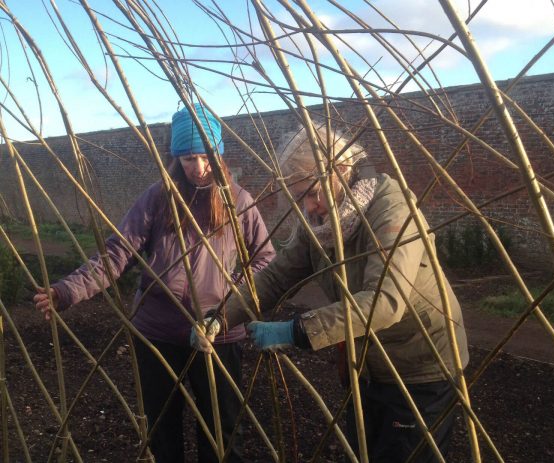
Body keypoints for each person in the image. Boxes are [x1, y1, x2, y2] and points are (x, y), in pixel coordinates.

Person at [197, 125, 469, 462]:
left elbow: (385, 302)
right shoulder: (321, 223)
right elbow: (276, 277)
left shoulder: (390, 210)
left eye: (312, 193)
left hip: (419, 364)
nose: (309, 207)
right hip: (366, 364)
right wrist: (221, 318)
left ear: (339, 171)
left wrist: (295, 331)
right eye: (300, 198)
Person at [34, 103, 275, 463]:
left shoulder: (238, 201)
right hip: (158, 333)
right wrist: (66, 291)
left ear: (218, 153)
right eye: (189, 158)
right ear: (175, 158)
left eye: (205, 156)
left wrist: (229, 295)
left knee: (223, 433)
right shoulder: (158, 198)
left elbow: (265, 259)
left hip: (219, 334)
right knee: (162, 433)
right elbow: (117, 254)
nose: (199, 167)